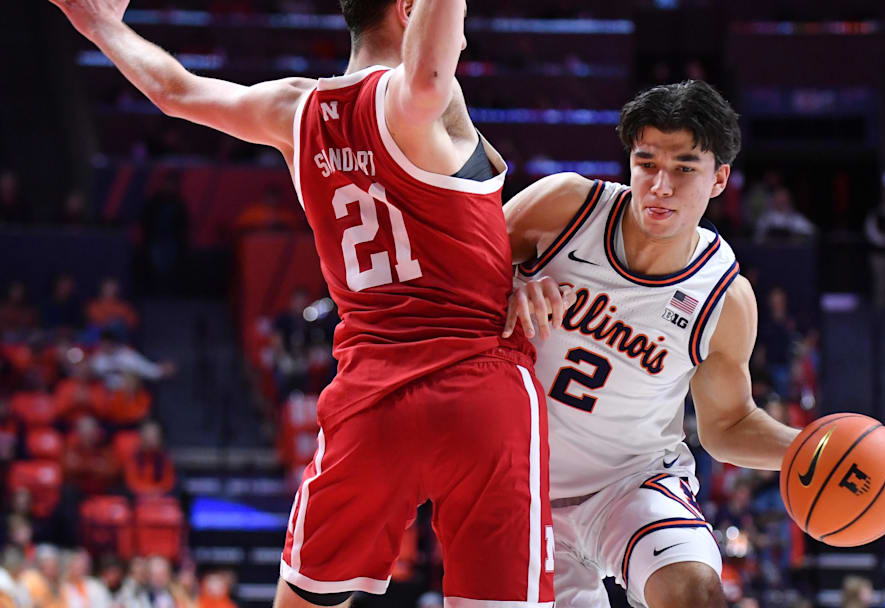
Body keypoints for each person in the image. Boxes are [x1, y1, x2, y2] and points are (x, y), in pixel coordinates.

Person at [49, 1, 554, 606]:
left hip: (371, 397)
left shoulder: (292, 109)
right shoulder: (424, 99)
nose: (462, 34)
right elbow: (424, 77)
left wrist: (98, 22)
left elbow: (173, 91)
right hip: (480, 383)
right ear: (409, 11)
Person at [503, 81, 800, 607]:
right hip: (516, 486)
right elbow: (448, 275)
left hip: (631, 483)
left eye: (685, 168)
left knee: (695, 593)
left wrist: (803, 450)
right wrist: (506, 284)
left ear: (719, 179)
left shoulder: (724, 297)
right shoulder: (566, 209)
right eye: (647, 164)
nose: (661, 185)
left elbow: (726, 425)